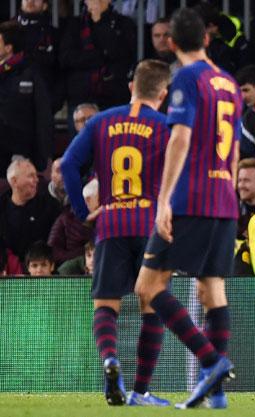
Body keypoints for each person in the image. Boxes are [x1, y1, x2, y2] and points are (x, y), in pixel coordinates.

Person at [133, 8, 242, 409]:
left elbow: (180, 137)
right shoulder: (230, 83)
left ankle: (212, 363)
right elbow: (233, 152)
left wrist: (164, 199)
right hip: (224, 199)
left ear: (172, 43)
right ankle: (216, 396)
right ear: (208, 40)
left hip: (191, 198)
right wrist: (228, 191)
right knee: (212, 289)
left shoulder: (187, 78)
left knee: (148, 287)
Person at [60, 59, 172, 407]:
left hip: (111, 223)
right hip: (151, 226)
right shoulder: (165, 126)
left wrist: (83, 212)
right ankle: (140, 390)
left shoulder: (100, 121)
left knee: (106, 305)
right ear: (164, 93)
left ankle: (110, 360)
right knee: (151, 306)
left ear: (131, 87)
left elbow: (67, 165)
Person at [59, 0, 136, 113]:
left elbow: (121, 53)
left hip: (113, 95)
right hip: (81, 96)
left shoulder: (123, 24)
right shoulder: (75, 25)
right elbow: (66, 58)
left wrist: (101, 20)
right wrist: (100, 56)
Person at [0, 20, 53, 175]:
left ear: (9, 48)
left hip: (21, 153)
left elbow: (43, 116)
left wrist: (45, 156)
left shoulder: (30, 72)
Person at [0, 157, 61, 261]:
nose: (37, 180)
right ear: (14, 181)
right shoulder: (2, 207)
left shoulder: (50, 206)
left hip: (40, 269)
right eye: (31, 176)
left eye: (36, 175)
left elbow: (56, 244)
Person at [47, 177, 96, 265]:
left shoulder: (106, 219)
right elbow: (53, 252)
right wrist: (83, 254)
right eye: (99, 200)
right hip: (71, 273)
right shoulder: (65, 219)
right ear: (87, 200)